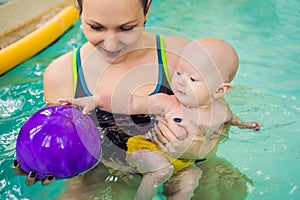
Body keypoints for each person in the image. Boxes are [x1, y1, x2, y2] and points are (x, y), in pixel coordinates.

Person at [12, 0, 261, 198]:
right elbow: (59, 137)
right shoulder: (62, 73)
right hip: (104, 173)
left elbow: (217, 124)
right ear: (79, 9)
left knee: (227, 190)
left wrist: (195, 148)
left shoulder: (178, 55)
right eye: (96, 27)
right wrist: (44, 160)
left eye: (126, 27)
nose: (111, 42)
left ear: (148, 8)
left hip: (184, 166)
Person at [58, 38, 262, 199]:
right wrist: (97, 100)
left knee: (192, 177)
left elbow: (231, 120)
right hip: (145, 150)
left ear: (219, 90)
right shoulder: (166, 102)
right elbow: (130, 103)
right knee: (161, 170)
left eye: (192, 79)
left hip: (182, 161)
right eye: (179, 72)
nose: (181, 82)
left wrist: (246, 125)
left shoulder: (221, 111)